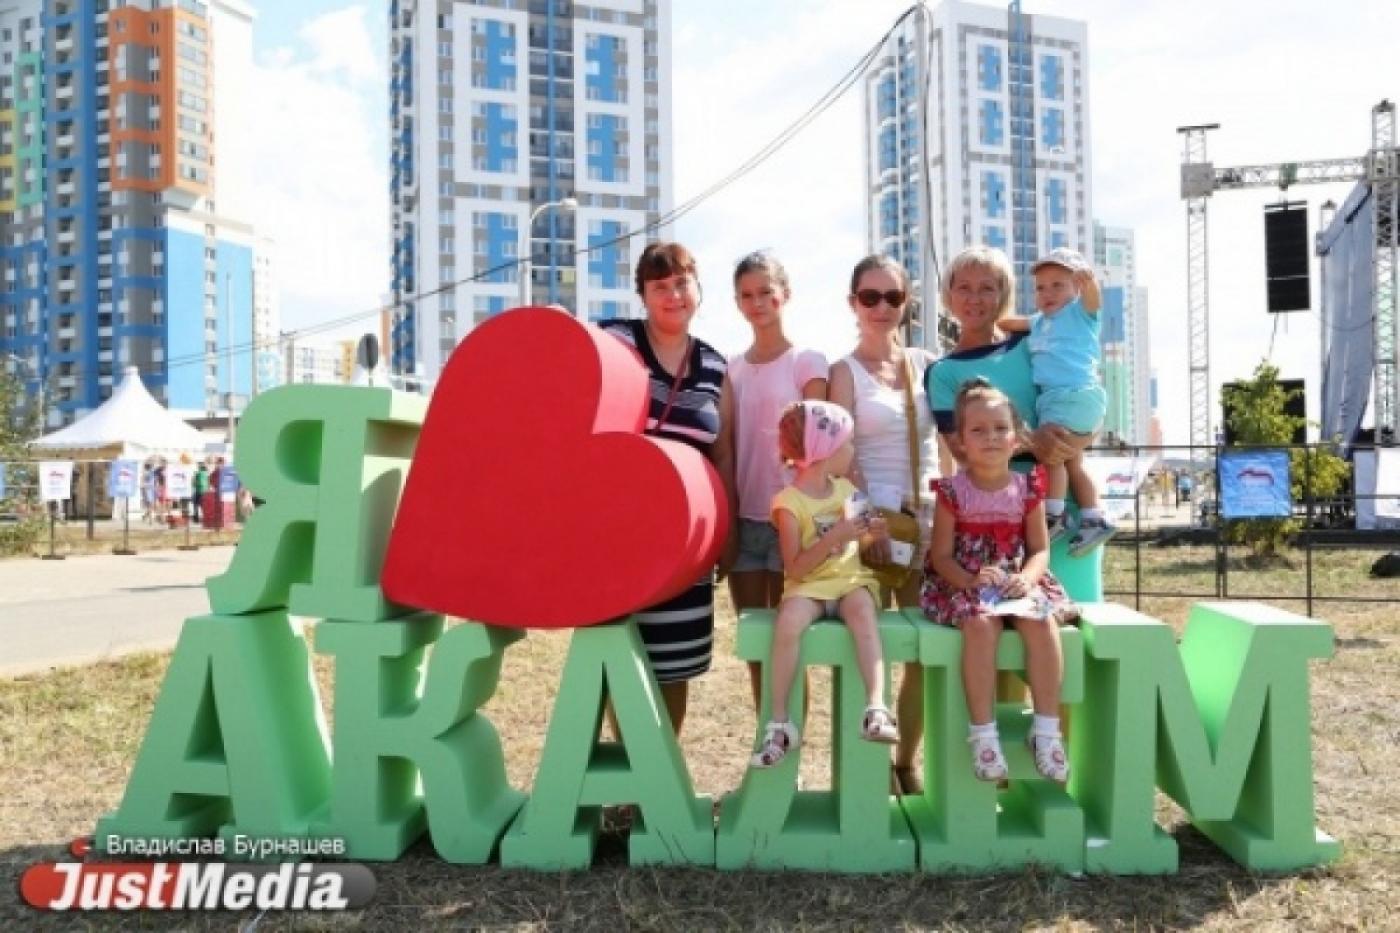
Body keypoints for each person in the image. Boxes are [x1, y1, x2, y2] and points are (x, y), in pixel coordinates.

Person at [828, 253, 946, 794]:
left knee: (926, 647)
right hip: (871, 527)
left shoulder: (926, 364)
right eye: (869, 297)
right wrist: (868, 526)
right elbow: (840, 457)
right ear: (853, 302)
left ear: (908, 303)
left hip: (924, 523)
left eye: (893, 297)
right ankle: (867, 769)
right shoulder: (842, 372)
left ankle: (906, 761)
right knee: (865, 648)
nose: (881, 308)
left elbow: (943, 447)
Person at [600, 241, 728, 736]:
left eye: (682, 283)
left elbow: (724, 455)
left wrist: (725, 537)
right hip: (617, 535)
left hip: (685, 541)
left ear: (698, 289)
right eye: (660, 286)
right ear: (643, 295)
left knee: (675, 663)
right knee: (615, 655)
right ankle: (626, 773)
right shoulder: (617, 341)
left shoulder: (716, 366)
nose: (673, 295)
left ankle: (659, 774)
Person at [925, 245, 1100, 605]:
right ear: (948, 295)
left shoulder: (1033, 340)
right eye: (964, 287)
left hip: (1061, 508)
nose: (975, 298)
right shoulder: (942, 373)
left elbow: (1080, 398)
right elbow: (960, 449)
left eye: (987, 287)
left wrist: (1078, 438)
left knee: (1078, 622)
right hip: (991, 520)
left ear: (1004, 293)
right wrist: (1033, 442)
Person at [922, 380, 1076, 783]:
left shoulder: (1027, 490)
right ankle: (983, 734)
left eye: (999, 428)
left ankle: (1046, 731)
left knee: (1041, 622)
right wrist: (969, 580)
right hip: (965, 581)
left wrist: (1027, 579)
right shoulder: (952, 492)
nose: (990, 437)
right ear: (960, 443)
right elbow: (939, 556)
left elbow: (1040, 549)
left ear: (1016, 438)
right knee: (979, 625)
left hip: (1015, 580)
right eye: (978, 430)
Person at [751, 400, 897, 768]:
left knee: (863, 612)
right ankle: (780, 722)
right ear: (824, 451)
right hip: (809, 587)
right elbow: (796, 569)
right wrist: (835, 538)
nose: (852, 450)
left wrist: (873, 532)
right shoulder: (788, 504)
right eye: (847, 443)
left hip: (849, 581)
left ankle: (876, 706)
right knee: (787, 624)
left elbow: (864, 537)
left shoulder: (847, 488)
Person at [716, 250, 828, 708]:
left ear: (785, 295)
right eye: (747, 295)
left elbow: (818, 446)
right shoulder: (731, 369)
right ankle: (771, 739)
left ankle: (792, 749)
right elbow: (727, 447)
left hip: (792, 522)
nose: (757, 302)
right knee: (755, 648)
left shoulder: (807, 361)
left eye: (766, 292)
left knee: (790, 646)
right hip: (746, 523)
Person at [998, 247, 1114, 555]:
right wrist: (996, 319)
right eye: (1040, 287)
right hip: (1068, 399)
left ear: (1076, 287)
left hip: (1072, 395)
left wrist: (1089, 285)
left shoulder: (1079, 314)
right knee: (1074, 460)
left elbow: (1094, 302)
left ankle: (1054, 513)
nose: (1047, 293)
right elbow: (1013, 323)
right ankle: (1093, 516)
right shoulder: (1039, 322)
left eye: (1058, 285)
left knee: (1051, 455)